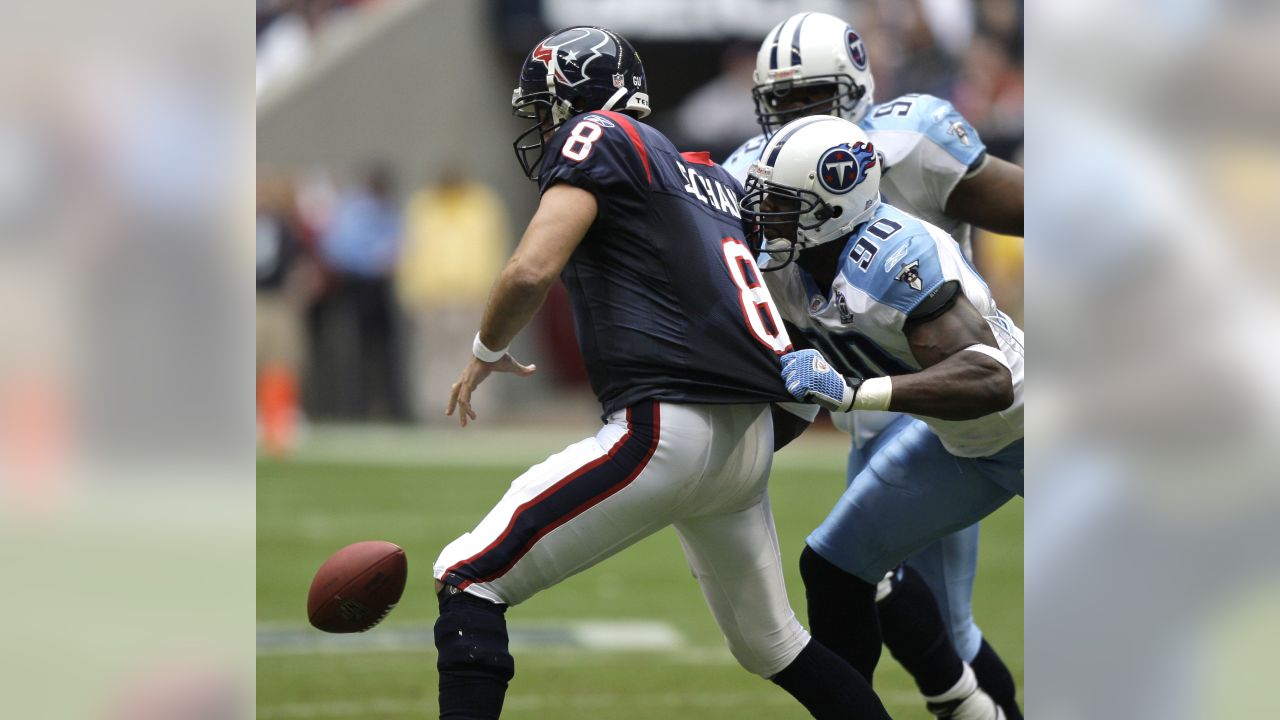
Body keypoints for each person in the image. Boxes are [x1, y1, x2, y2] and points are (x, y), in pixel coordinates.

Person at [431, 26, 892, 720]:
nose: (545, 125)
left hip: (662, 428)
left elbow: (531, 267)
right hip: (746, 438)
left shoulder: (601, 137)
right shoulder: (709, 177)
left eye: (549, 105)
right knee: (777, 646)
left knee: (467, 576)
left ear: (583, 98)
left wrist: (487, 348)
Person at [722, 12, 1024, 718]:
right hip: (914, 409)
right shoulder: (766, 189)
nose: (798, 118)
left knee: (950, 619)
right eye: (784, 102)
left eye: (814, 97)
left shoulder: (900, 208)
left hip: (960, 388)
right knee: (841, 567)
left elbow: (990, 373)